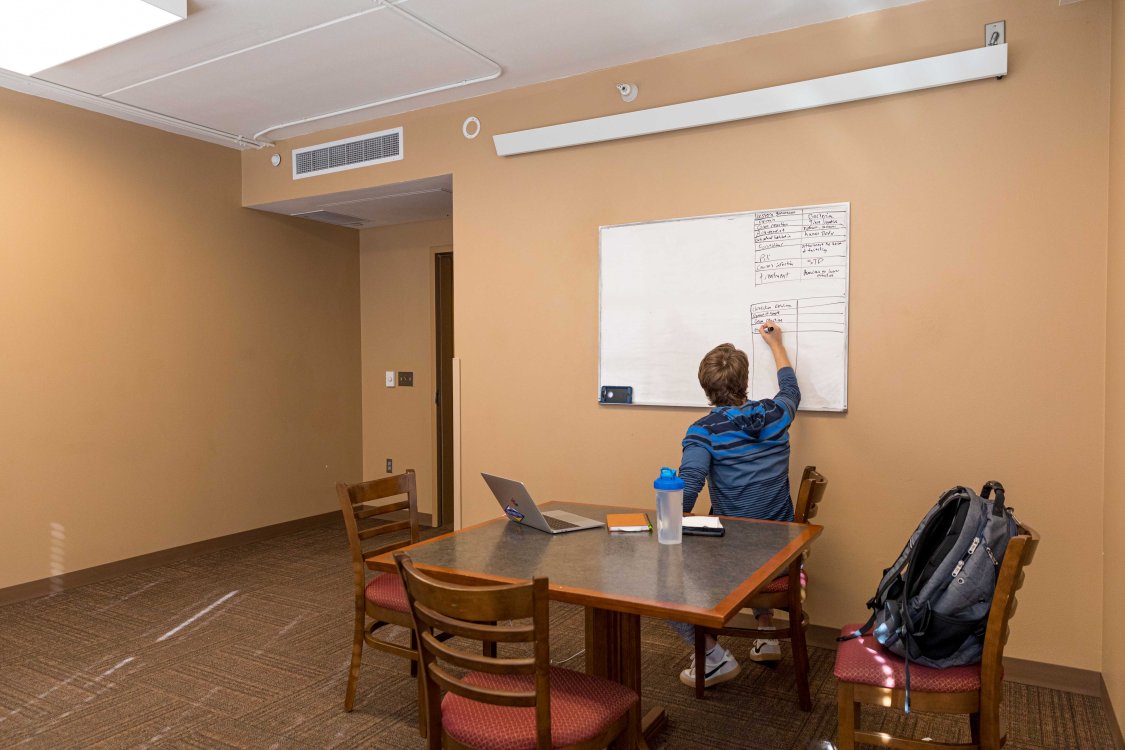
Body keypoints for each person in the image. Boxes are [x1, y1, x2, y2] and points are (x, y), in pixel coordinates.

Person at [671, 319, 800, 689]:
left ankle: (713, 658)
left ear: (706, 387)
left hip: (741, 559)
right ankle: (767, 632)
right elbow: (790, 388)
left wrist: (670, 527)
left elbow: (690, 486)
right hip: (783, 551)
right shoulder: (777, 416)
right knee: (750, 521)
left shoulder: (704, 431)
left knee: (657, 577)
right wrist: (776, 345)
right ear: (744, 381)